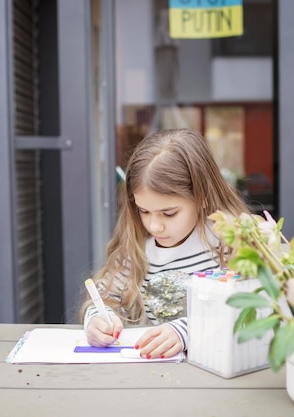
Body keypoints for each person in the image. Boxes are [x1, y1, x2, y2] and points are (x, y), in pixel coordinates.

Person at [79, 128, 250, 359]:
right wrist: (98, 319)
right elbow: (107, 297)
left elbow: (248, 310)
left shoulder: (228, 243)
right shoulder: (138, 245)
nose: (154, 226)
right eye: (144, 211)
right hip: (151, 378)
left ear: (202, 197)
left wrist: (187, 331)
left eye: (169, 213)